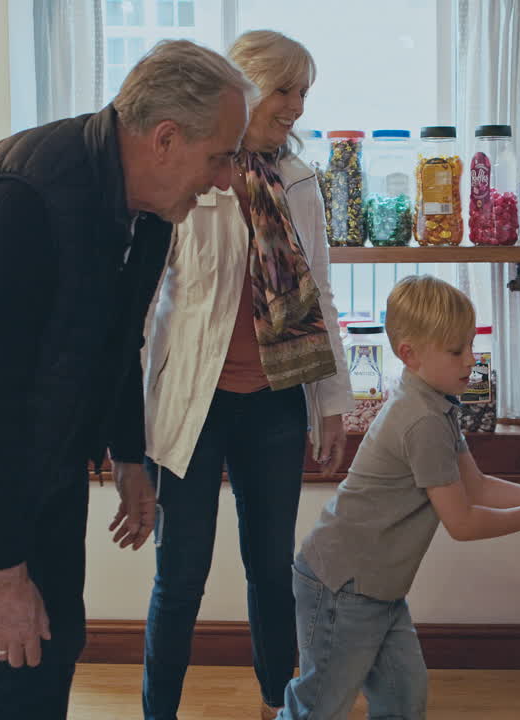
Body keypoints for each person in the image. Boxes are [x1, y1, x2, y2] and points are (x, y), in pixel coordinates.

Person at [0, 40, 254, 719]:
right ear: (166, 137)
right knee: (17, 658)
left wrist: (131, 454)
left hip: (41, 442)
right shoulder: (29, 199)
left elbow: (118, 337)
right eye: (221, 156)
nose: (226, 178)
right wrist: (1, 572)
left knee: (59, 639)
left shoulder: (151, 206)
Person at [138, 31, 353, 720]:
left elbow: (317, 293)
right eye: (284, 90)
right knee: (181, 577)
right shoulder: (190, 176)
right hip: (192, 406)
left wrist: (331, 403)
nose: (294, 106)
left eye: (302, 93)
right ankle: (158, 713)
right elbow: (143, 308)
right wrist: (119, 425)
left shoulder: (300, 183)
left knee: (271, 570)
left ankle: (274, 705)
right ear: (249, 87)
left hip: (274, 403)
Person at [278, 275, 520, 720]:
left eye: (469, 345)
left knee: (404, 700)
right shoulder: (421, 420)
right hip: (341, 588)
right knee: (320, 707)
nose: (470, 360)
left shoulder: (436, 402)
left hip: (377, 590)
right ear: (409, 354)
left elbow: (477, 486)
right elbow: (462, 524)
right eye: (456, 350)